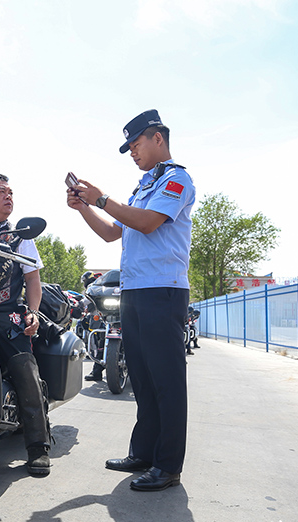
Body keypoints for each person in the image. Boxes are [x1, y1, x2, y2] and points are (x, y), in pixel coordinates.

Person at [66, 109, 196, 491]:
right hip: (136, 290)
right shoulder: (141, 188)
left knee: (166, 380)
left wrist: (101, 196)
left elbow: (147, 223)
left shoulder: (177, 179)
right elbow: (112, 233)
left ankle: (168, 465)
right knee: (141, 375)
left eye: (136, 144)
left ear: (158, 138)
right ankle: (144, 453)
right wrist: (84, 207)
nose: (133, 153)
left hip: (163, 290)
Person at [0, 173, 51, 477]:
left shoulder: (20, 236)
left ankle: (38, 447)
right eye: (2, 192)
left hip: (3, 312)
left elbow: (32, 279)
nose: (9, 196)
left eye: (11, 192)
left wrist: (33, 312)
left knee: (24, 369)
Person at [80, 271, 106, 382]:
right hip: (102, 319)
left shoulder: (108, 285)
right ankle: (96, 371)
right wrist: (79, 304)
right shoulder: (94, 287)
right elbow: (86, 300)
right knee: (100, 343)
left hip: (111, 317)